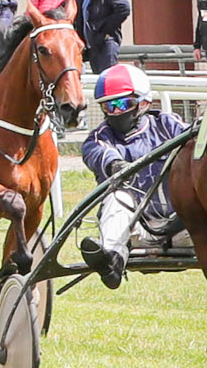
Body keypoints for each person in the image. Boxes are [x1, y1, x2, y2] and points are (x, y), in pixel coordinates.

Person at [77, 65, 189, 289]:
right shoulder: (100, 138)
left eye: (122, 104)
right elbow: (96, 153)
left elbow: (197, 141)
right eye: (109, 106)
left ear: (143, 102)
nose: (116, 112)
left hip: (182, 227)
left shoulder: (168, 126)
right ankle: (111, 262)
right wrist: (115, 165)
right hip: (135, 232)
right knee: (117, 197)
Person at [78, 0, 130, 74]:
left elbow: (124, 8)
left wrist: (105, 30)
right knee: (97, 80)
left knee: (107, 78)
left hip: (106, 43)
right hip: (93, 45)